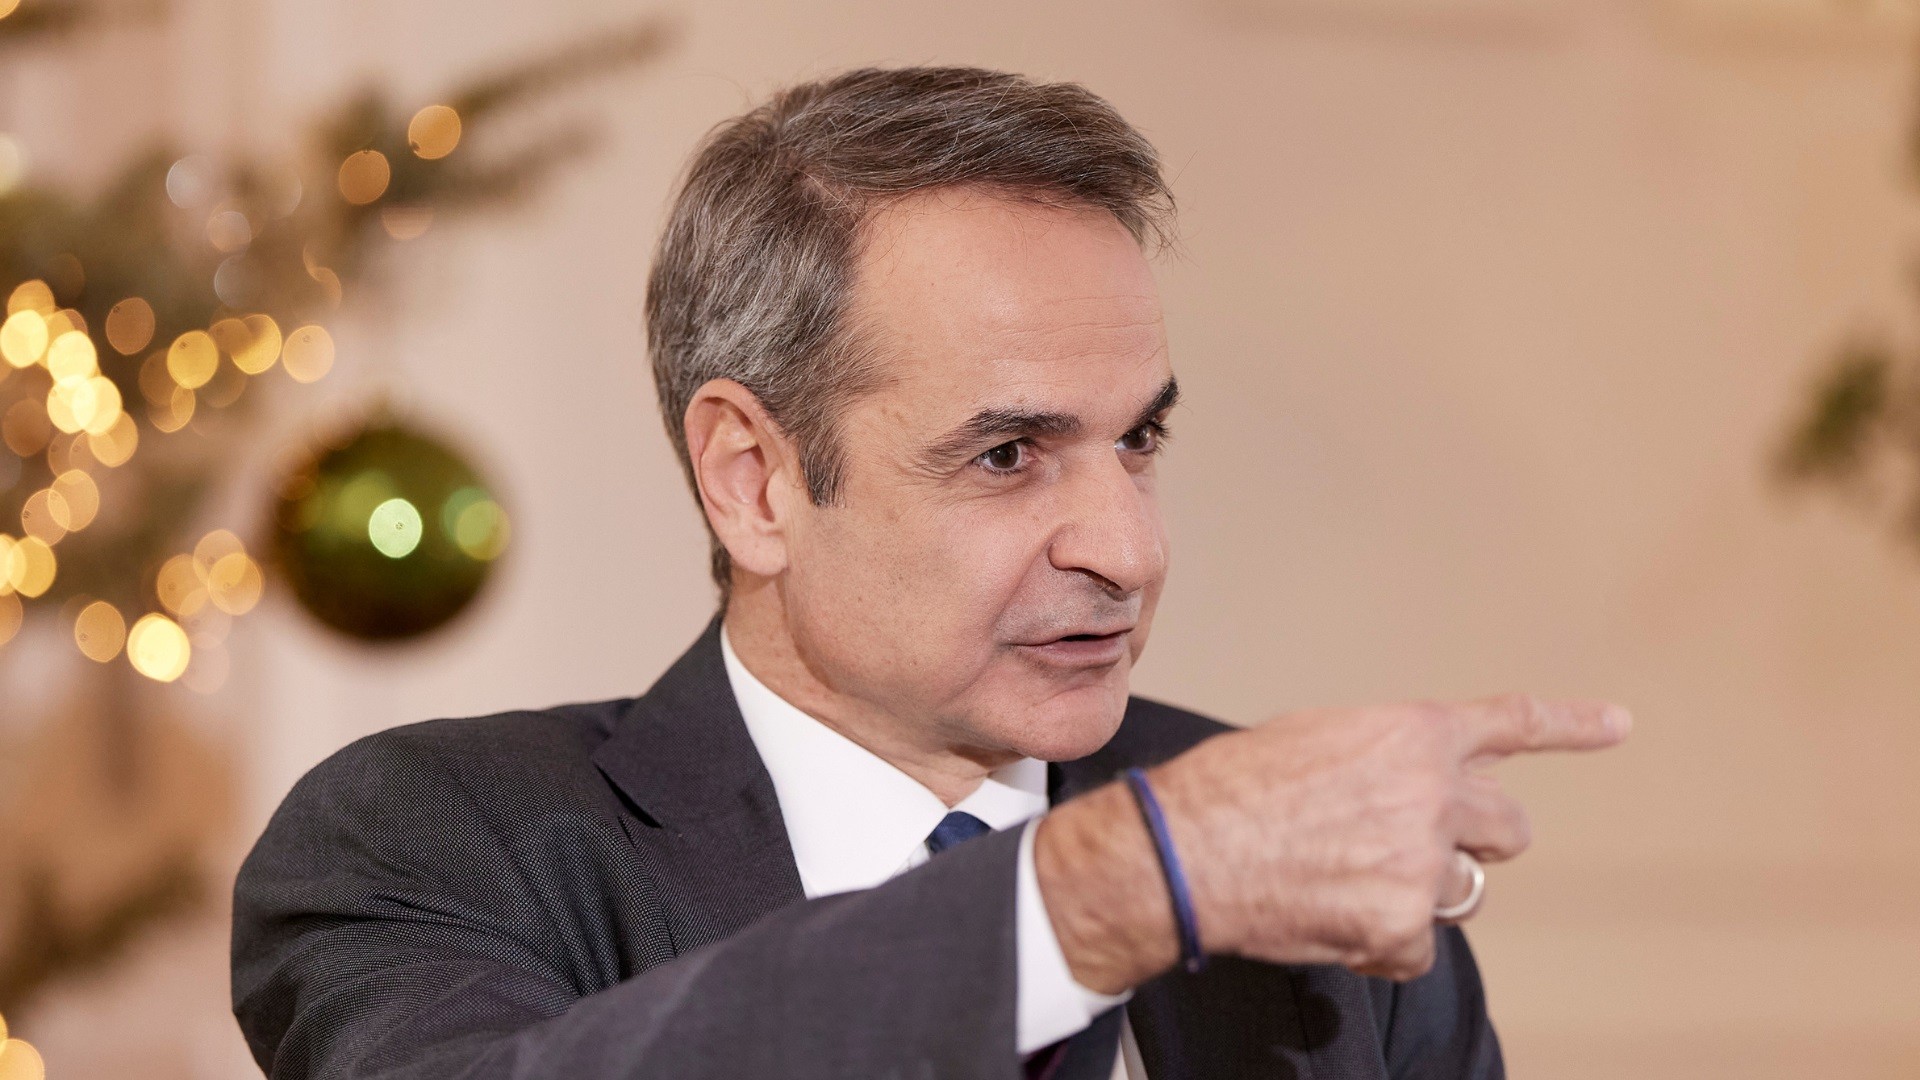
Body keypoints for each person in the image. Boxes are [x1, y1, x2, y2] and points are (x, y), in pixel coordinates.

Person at [231, 66, 1629, 1080]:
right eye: (1009, 454)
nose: (1129, 550)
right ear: (753, 479)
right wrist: (1102, 898)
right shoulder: (435, 840)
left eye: (1139, 440)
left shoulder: (1293, 876)